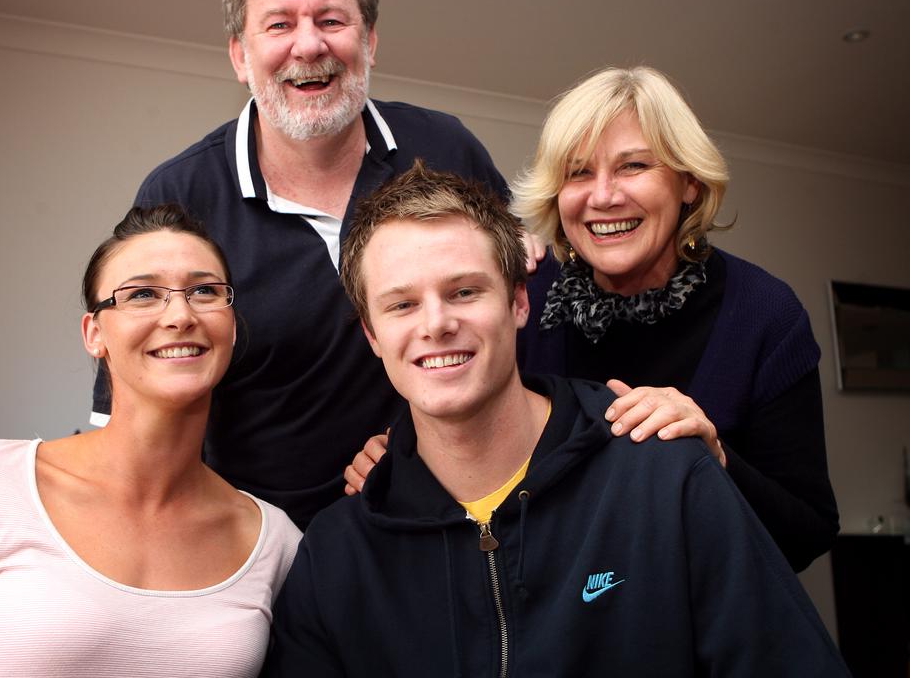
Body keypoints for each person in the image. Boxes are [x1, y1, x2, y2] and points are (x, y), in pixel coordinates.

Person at [262, 164, 850, 676]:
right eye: (402, 304)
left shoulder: (666, 481)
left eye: (465, 292)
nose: (435, 324)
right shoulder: (336, 556)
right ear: (372, 334)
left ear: (520, 302)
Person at [91, 0, 517, 529]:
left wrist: (412, 446)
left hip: (450, 519)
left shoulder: (445, 145)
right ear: (241, 54)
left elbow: (513, 312)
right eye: (280, 24)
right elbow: (132, 394)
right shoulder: (181, 193)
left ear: (369, 40)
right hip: (264, 543)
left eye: (331, 20)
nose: (309, 45)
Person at [347, 66, 838, 571]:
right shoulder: (526, 295)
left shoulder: (763, 313)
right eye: (578, 173)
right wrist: (400, 456)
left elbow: (806, 533)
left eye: (633, 167)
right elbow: (453, 403)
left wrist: (715, 460)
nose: (603, 196)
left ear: (688, 182)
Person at [0, 205, 301, 677]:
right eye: (143, 294)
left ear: (231, 324)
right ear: (94, 333)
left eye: (205, 291)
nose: (181, 314)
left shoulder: (275, 542)